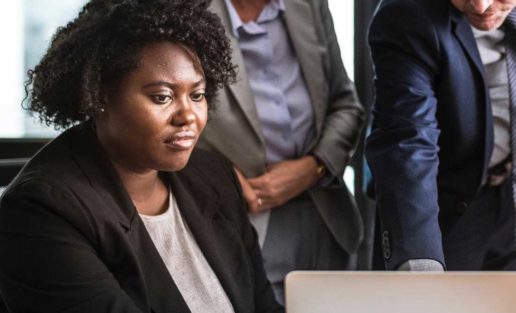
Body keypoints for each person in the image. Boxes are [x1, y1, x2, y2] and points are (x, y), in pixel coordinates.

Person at [0, 0, 282, 312]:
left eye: (197, 94)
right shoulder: (41, 211)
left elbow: (263, 306)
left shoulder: (214, 176)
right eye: (162, 97)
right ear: (100, 95)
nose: (188, 115)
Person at [366, 0, 516, 271]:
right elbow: (407, 142)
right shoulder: (405, 13)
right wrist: (419, 263)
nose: (481, 6)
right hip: (442, 208)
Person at [201, 0, 365, 302]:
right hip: (241, 219)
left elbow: (346, 105)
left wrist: (314, 166)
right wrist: (218, 176)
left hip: (327, 216)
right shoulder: (188, 10)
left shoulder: (310, 5)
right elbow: (163, 122)